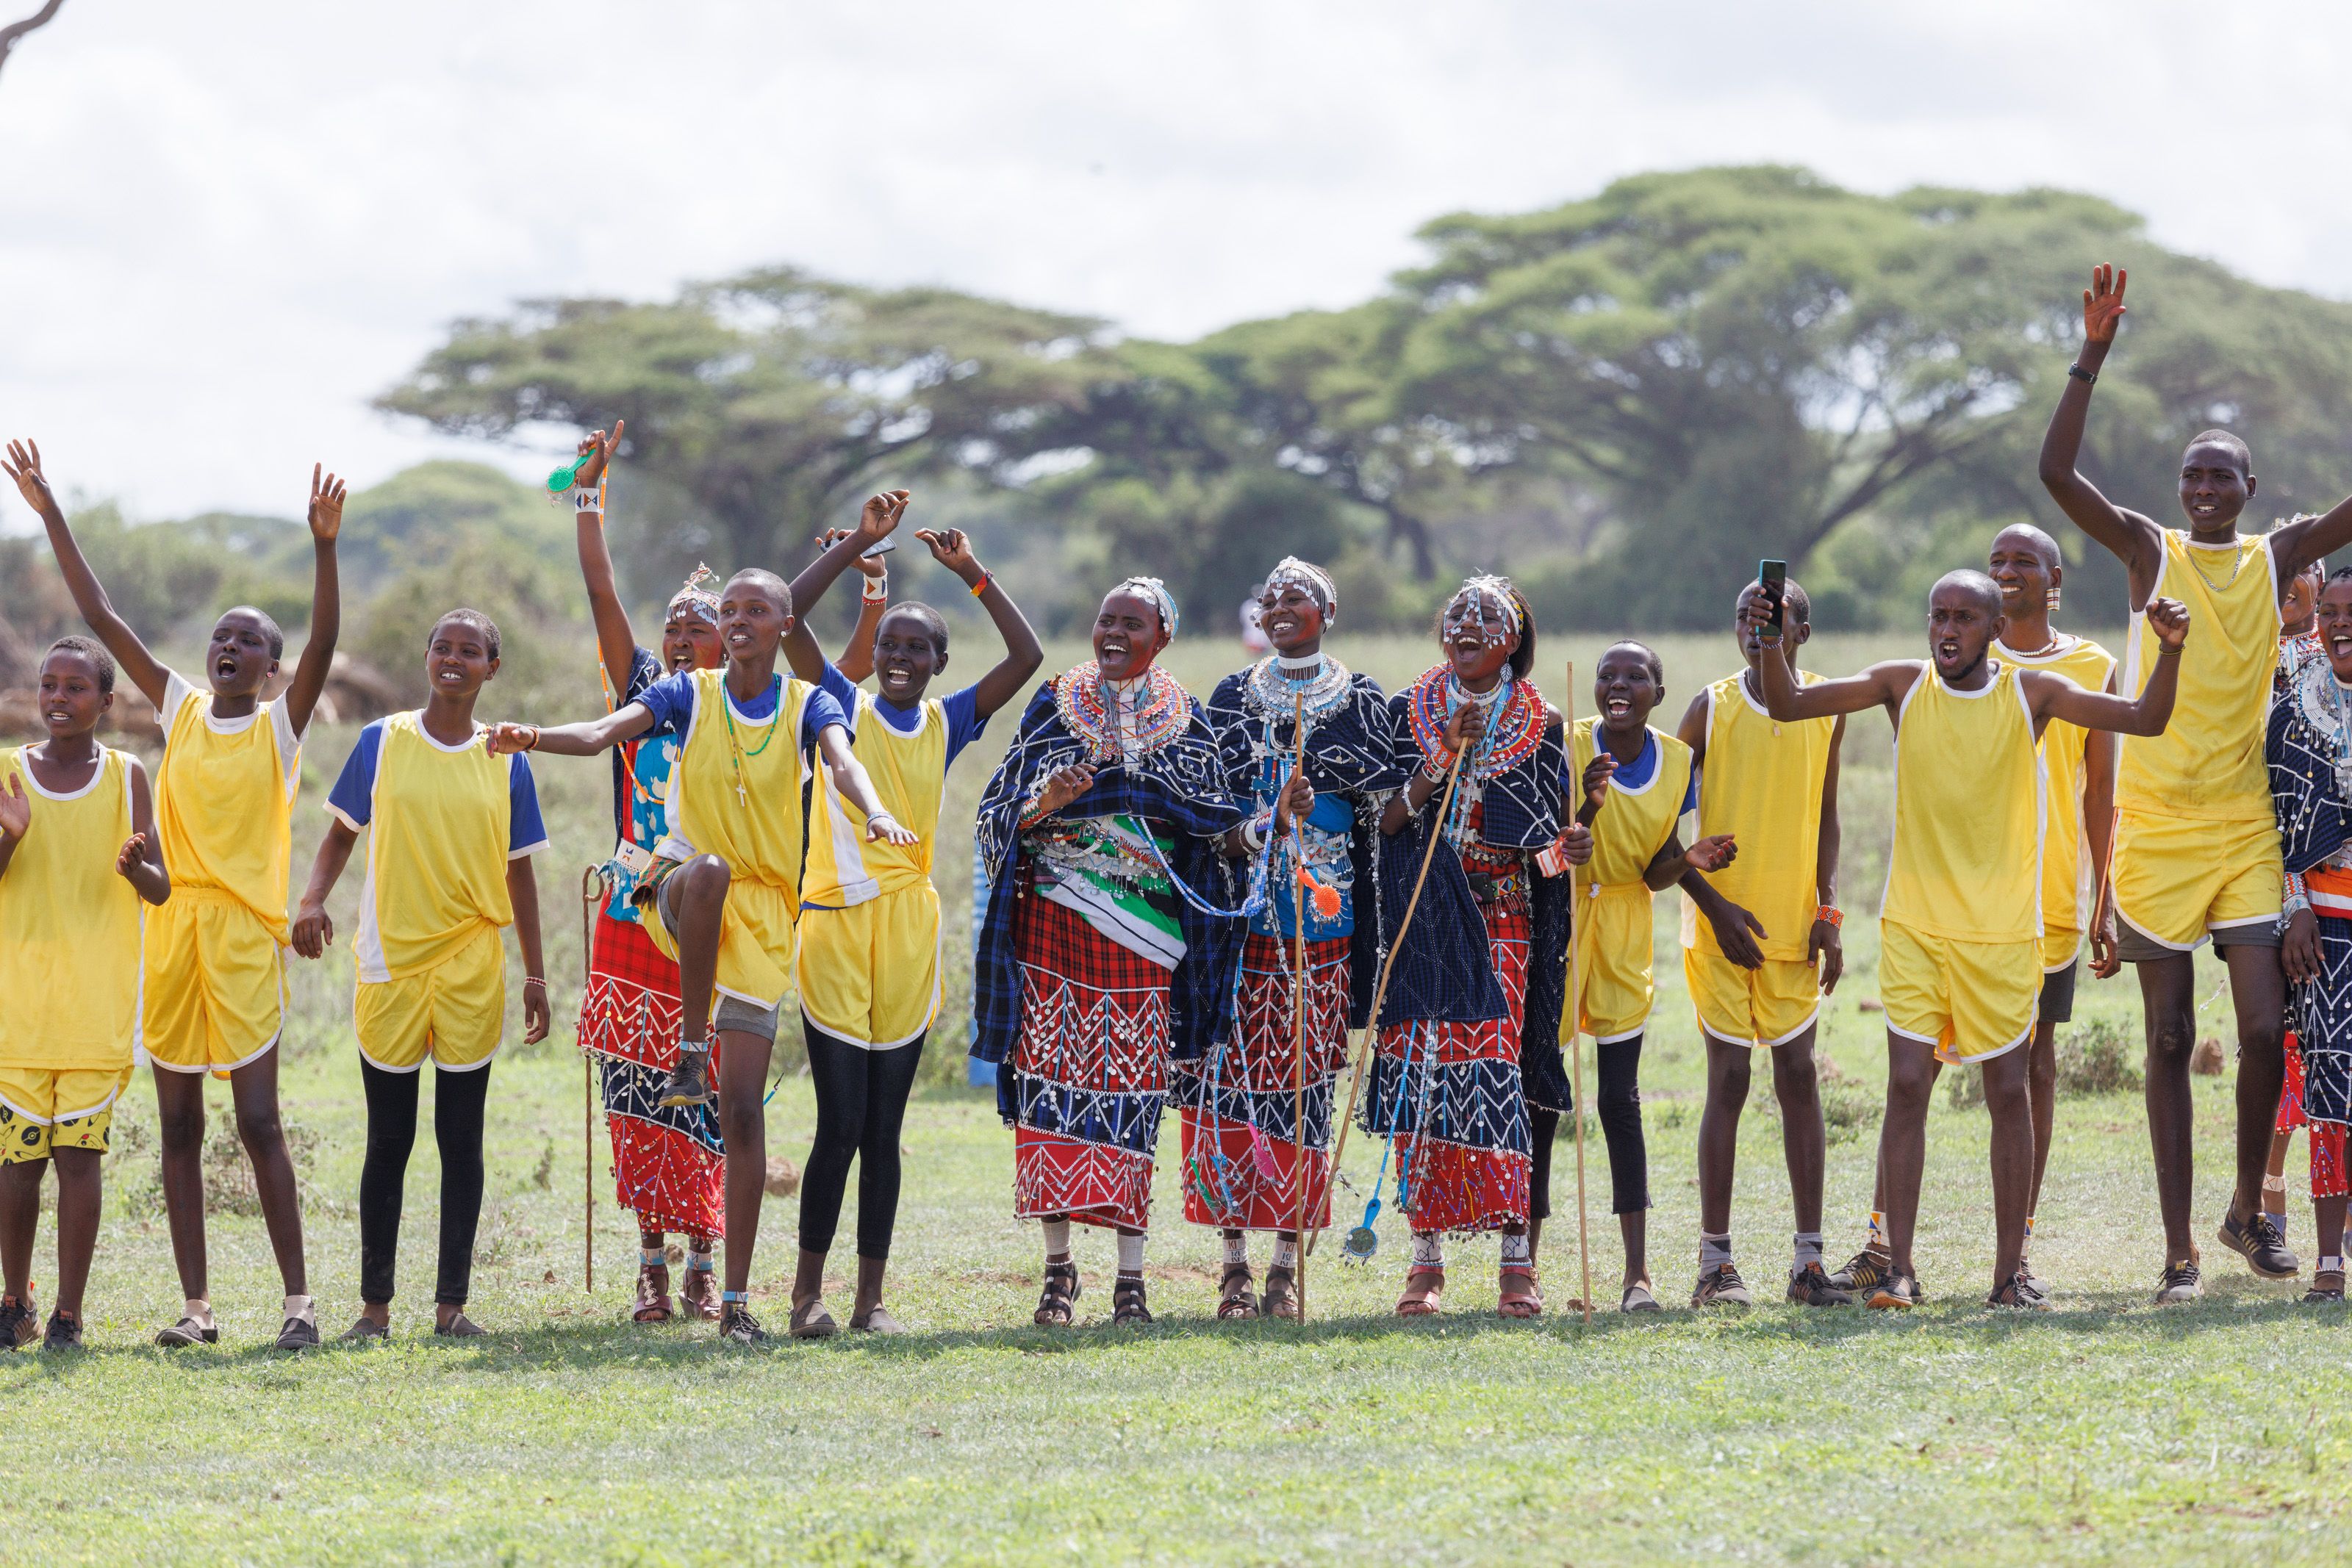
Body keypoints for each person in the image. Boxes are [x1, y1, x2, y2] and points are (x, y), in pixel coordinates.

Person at [485, 560, 909, 1344]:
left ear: (783, 627)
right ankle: (687, 1046)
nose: (739, 619)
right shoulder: (689, 693)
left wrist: (875, 809)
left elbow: (843, 758)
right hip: (677, 888)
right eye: (733, 608)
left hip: (764, 922)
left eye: (754, 610)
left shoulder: (805, 701)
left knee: (742, 1112)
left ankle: (739, 1301)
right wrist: (533, 737)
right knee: (709, 868)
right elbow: (607, 731)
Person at [2039, 263, 2352, 1301]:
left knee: (2265, 1027)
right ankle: (2178, 1249)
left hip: (2247, 827)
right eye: (2194, 477)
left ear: (2252, 490)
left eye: (2223, 477)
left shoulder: (2279, 556)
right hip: (2159, 827)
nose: (2206, 489)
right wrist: (2091, 356)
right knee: (2169, 1034)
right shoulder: (2146, 551)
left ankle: (2243, 1211)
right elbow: (2056, 476)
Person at [1759, 572, 2189, 1308]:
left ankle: (2005, 1276)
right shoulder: (1902, 685)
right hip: (1914, 927)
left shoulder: (2032, 696)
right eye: (1937, 616)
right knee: (1903, 1086)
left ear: (1993, 627)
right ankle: (1898, 1267)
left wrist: (2170, 649)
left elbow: (2145, 718)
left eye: (1963, 617)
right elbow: (1786, 701)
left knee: (2005, 1091)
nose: (1946, 630)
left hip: (1998, 933)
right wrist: (1770, 636)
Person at [4, 439, 339, 1352]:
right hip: (172, 927)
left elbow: (326, 647)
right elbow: (101, 614)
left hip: (240, 940)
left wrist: (323, 548)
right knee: (180, 1125)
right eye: (222, 636)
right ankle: (197, 1309)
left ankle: (299, 1304)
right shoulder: (179, 707)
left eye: (250, 642)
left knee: (260, 1119)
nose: (230, 647)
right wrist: (50, 515)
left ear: (272, 669)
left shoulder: (279, 728)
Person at [776, 497, 1042, 1336]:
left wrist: (972, 574)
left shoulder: (946, 719)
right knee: (838, 1124)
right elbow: (786, 615)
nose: (897, 656)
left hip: (908, 936)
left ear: (937, 661)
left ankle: (869, 1302)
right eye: (889, 644)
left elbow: (1027, 654)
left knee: (884, 1132)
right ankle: (805, 1296)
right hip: (834, 926)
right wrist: (857, 545)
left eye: (915, 647)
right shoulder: (832, 703)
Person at [971, 578, 1243, 1328]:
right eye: (1104, 619)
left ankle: (1131, 1280)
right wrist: (1046, 803)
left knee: (1130, 1097)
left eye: (1132, 622)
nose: (1113, 632)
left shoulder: (1186, 721)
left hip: (1145, 940)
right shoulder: (1054, 703)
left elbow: (1217, 829)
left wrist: (1261, 830)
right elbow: (998, 811)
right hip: (1054, 927)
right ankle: (1058, 1274)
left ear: (1162, 636)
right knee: (1049, 1097)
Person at [295, 610, 551, 1341]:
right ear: (427, 655)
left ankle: (451, 1307)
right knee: (388, 1139)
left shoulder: (508, 755)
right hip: (390, 961)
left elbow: (519, 868)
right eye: (443, 645)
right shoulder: (382, 741)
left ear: (490, 669)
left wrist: (536, 973)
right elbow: (340, 831)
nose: (454, 659)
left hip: (472, 966)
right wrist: (312, 898)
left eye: (471, 651)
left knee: (460, 1140)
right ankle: (374, 1309)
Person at [1188, 558, 1396, 1321]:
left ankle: (1284, 1262)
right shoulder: (1230, 698)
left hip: (1325, 932)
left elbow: (1380, 824)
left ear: (1328, 607)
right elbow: (1204, 818)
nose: (1280, 605)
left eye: (1296, 595)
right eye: (1269, 596)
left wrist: (1321, 807)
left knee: (1307, 1090)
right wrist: (1264, 821)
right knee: (1232, 1088)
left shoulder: (1361, 700)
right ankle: (1233, 1265)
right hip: (1241, 927)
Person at [562, 425, 731, 1325]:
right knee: (631, 1086)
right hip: (630, 911)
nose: (677, 637)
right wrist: (590, 495)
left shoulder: (743, 709)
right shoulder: (638, 697)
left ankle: (707, 1257)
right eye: (672, 628)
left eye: (697, 627)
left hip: (705, 913)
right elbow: (601, 589)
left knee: (698, 1077)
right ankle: (652, 1264)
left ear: (732, 641)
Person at [1369, 577, 1567, 1319]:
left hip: (1505, 918)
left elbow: (1546, 860)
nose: (1466, 626)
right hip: (1428, 921)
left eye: (1485, 619)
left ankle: (1516, 1262)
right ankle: (1426, 1261)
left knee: (1497, 1077)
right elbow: (1387, 823)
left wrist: (1569, 850)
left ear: (1512, 639)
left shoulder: (1541, 721)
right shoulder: (1406, 710)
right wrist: (1437, 763)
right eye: (1455, 615)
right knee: (1426, 1080)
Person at [1676, 578, 1853, 1309]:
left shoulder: (1826, 706)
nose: (1758, 631)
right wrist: (1712, 906)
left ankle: (1807, 1264)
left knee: (1799, 1078)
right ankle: (1714, 1264)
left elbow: (1826, 816)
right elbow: (1661, 829)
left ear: (1802, 633)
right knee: (1727, 1081)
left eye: (1774, 620)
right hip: (1721, 929)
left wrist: (1828, 909)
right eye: (1746, 619)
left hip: (1791, 928)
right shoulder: (1707, 708)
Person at [0, 638, 171, 1350]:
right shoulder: (9, 771)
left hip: (97, 1002)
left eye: (76, 687)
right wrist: (7, 840)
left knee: (78, 1159)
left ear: (107, 703)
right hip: (19, 1001)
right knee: (17, 1162)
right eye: (49, 685)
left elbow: (161, 888)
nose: (58, 698)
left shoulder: (129, 775)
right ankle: (15, 1303)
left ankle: (68, 1312)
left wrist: (137, 870)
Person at [1561, 641, 1732, 1312]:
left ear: (1659, 693)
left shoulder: (1678, 761)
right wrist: (1587, 810)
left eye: (1636, 676)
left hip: (1627, 927)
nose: (1618, 684)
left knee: (1617, 1099)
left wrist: (1688, 858)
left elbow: (1658, 871)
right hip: (1563, 918)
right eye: (1608, 676)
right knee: (1543, 1089)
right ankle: (1527, 1265)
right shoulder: (1569, 744)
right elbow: (1562, 842)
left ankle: (1637, 1274)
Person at [2268, 567, 2352, 1302]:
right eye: (2326, 612)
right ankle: (2327, 1259)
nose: (2336, 623)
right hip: (2320, 920)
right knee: (2326, 1075)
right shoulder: (2294, 709)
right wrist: (2293, 904)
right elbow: (2274, 820)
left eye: (2348, 611)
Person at [2266, 533, 2331, 1254]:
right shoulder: (2253, 659)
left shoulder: (2330, 665)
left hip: (2330, 888)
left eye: (2300, 577)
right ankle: (2263, 1198)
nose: (2290, 589)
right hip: (2276, 881)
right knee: (2283, 1041)